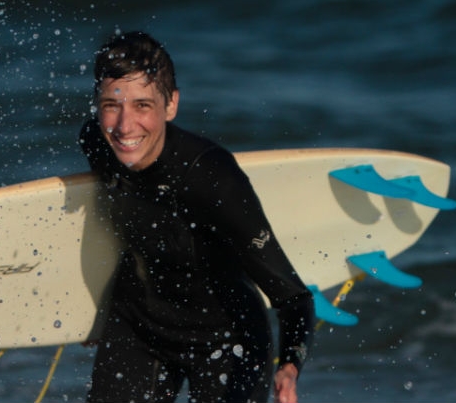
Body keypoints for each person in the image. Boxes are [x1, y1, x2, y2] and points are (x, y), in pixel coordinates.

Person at [79, 31, 315, 403]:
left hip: (227, 340)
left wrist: (289, 365)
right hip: (139, 326)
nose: (124, 126)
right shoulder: (97, 142)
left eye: (143, 105)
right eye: (112, 105)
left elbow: (293, 297)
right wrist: (94, 306)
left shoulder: (212, 177)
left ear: (170, 105)